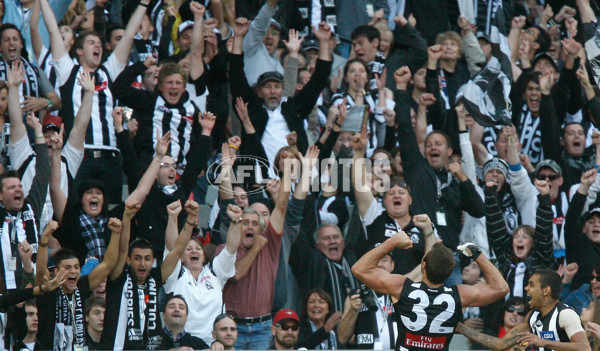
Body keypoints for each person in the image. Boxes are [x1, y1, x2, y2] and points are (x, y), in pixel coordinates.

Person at [352, 237, 509, 351]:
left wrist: (391, 242)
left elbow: (359, 269)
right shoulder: (460, 295)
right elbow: (501, 288)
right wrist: (475, 253)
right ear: (449, 274)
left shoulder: (401, 287)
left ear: (423, 265)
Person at [100, 200, 200, 350]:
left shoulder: (155, 278)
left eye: (147, 259)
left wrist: (191, 218)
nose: (142, 264)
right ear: (129, 260)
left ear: (152, 261)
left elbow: (178, 250)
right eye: (137, 258)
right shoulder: (118, 278)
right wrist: (127, 218)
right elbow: (122, 249)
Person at [229, 17, 332, 160]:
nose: (273, 91)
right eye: (267, 87)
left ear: (283, 90)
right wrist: (239, 37)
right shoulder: (251, 111)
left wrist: (324, 42)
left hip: (295, 177)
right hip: (260, 178)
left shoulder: (294, 109)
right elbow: (236, 78)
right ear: (258, 92)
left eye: (277, 87)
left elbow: (318, 80)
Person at [35, 219, 122, 350]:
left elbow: (108, 264)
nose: (73, 271)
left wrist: (115, 234)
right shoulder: (49, 288)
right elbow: (41, 271)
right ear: (56, 271)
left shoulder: (80, 286)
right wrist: (44, 240)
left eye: (76, 267)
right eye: (68, 267)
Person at [163, 199, 241, 344]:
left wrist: (236, 222)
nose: (194, 251)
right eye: (188, 249)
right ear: (181, 256)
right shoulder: (176, 275)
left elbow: (231, 249)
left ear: (204, 255)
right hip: (184, 344)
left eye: (198, 248)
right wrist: (173, 217)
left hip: (214, 344)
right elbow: (172, 249)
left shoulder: (215, 272)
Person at [456, 269, 591, 351]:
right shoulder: (532, 316)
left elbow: (584, 347)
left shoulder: (565, 314)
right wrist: (461, 328)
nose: (526, 288)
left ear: (545, 290)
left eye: (531, 284)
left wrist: (545, 342)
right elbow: (500, 344)